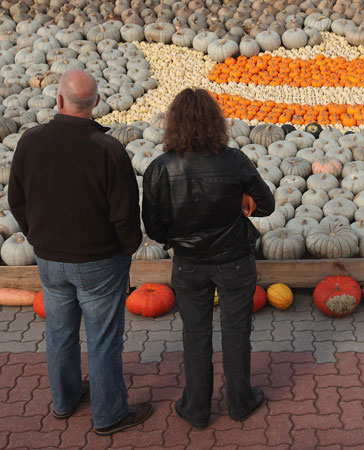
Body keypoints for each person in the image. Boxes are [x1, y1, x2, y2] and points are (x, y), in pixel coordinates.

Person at [8, 70, 152, 435]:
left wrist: (38, 237)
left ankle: (64, 400)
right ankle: (108, 415)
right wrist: (128, 248)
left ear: (58, 100)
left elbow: (17, 200)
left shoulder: (30, 141)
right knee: (103, 340)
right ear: (97, 104)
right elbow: (125, 213)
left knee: (59, 332)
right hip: (99, 261)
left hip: (49, 259)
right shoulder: (108, 149)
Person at [142, 88, 275, 428]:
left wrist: (180, 241)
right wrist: (245, 199)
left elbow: (154, 227)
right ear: (216, 122)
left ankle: (197, 409)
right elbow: (267, 204)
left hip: (188, 263)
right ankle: (240, 402)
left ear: (173, 124)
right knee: (236, 332)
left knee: (195, 335)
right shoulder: (234, 161)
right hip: (234, 260)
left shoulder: (159, 168)